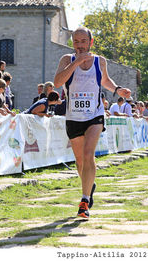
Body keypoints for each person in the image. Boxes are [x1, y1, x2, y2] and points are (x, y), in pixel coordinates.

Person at [54, 26, 131, 218]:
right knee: (80, 161)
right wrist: (76, 63)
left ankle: (84, 201)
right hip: (73, 117)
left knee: (89, 154)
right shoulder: (66, 59)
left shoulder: (100, 61)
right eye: (76, 42)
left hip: (94, 115)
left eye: (83, 41)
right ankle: (89, 185)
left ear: (91, 42)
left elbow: (105, 80)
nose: (80, 45)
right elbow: (57, 83)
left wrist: (118, 90)